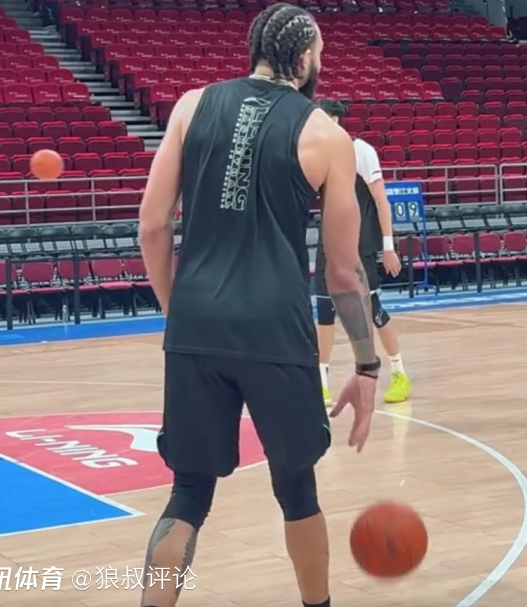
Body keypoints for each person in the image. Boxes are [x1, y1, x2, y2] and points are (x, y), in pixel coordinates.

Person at [136, 6, 379, 607]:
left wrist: (176, 311)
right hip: (275, 329)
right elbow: (343, 270)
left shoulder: (191, 106)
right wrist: (367, 364)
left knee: (188, 491)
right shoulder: (328, 136)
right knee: (296, 488)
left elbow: (152, 226)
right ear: (306, 58)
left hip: (196, 321)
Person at [313, 99, 411, 406]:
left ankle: (399, 373)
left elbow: (381, 201)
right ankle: (321, 384)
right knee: (324, 314)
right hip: (329, 245)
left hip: (361, 246)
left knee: (374, 311)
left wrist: (388, 247)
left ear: (336, 121)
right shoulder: (316, 154)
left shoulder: (361, 151)